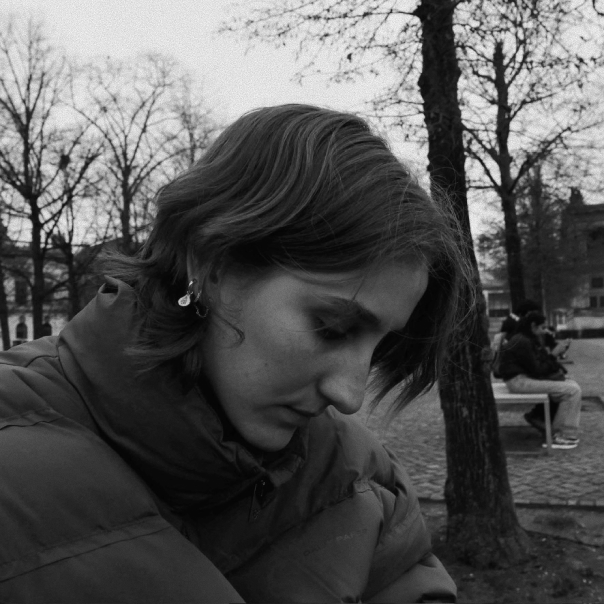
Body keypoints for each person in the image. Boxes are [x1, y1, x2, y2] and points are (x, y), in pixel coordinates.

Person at [0, 104, 469, 602]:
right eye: (332, 327)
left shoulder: (363, 479)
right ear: (212, 265)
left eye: (381, 346)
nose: (350, 396)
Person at [498, 311, 582, 449]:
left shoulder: (526, 339)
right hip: (518, 381)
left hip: (522, 379)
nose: (544, 331)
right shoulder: (523, 341)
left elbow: (539, 366)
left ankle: (544, 421)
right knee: (572, 391)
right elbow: (538, 370)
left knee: (570, 384)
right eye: (542, 327)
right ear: (533, 326)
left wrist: (555, 358)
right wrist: (553, 355)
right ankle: (562, 435)